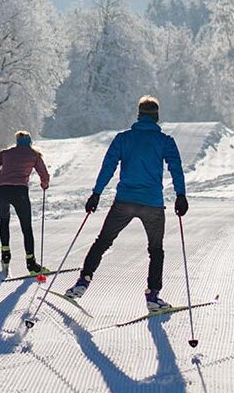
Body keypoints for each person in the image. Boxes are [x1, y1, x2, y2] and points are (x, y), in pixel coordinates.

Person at [67, 96, 188, 309]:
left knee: (103, 241)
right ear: (157, 117)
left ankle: (82, 281)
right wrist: (181, 195)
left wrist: (96, 193)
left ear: (139, 116)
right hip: (152, 203)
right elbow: (176, 168)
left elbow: (108, 167)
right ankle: (153, 296)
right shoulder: (165, 141)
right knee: (156, 250)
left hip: (124, 201)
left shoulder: (123, 139)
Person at [0, 130, 51, 276]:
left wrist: (1, 174)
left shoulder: (5, 153)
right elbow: (44, 174)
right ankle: (31, 265)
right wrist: (44, 184)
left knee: (4, 220)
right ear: (30, 142)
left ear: (17, 142)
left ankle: (5, 257)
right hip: (19, 192)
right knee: (26, 226)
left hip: (1, 190)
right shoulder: (34, 155)